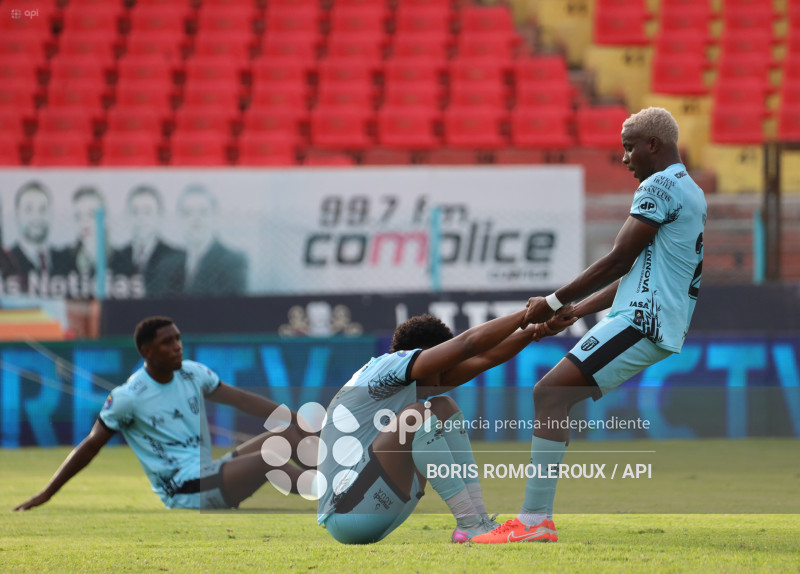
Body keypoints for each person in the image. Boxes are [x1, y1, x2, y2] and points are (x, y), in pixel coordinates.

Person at [472, 107, 706, 544]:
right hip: (647, 316)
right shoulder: (688, 188)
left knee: (549, 394)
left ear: (653, 145)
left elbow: (619, 257)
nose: (624, 158)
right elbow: (639, 272)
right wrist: (576, 313)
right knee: (552, 396)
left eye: (629, 147)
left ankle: (534, 520)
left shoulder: (657, 186)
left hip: (643, 320)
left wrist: (554, 301)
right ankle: (534, 518)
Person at [317, 308, 577, 544]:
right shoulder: (390, 365)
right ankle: (469, 523)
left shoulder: (398, 377)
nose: (446, 375)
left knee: (443, 407)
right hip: (346, 513)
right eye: (442, 364)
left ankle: (478, 522)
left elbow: (485, 359)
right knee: (416, 415)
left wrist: (536, 331)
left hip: (373, 506)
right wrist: (527, 314)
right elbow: (468, 345)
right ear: (424, 355)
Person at [14, 316, 312, 511]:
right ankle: (328, 492)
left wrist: (299, 419)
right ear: (147, 352)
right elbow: (91, 445)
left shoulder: (192, 373)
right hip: (183, 490)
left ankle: (339, 473)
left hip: (209, 471)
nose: (177, 347)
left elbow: (243, 400)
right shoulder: (127, 398)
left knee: (286, 432)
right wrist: (47, 494)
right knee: (269, 457)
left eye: (178, 338)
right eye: (167, 342)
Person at [110, 185, 184, 297]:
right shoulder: (114, 258)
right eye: (135, 212)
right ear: (127, 216)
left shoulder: (176, 259)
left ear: (160, 216)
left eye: (147, 212)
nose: (141, 219)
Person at [176, 184, 247, 296]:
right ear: (179, 219)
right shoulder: (171, 263)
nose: (195, 219)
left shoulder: (233, 262)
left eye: (203, 212)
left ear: (215, 216)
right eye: (188, 213)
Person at [8, 181, 70, 287]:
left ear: (51, 213)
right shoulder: (6, 262)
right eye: (29, 210)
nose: (36, 217)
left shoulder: (66, 260)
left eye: (42, 209)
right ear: (17, 214)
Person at [65, 186, 117, 282]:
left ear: (105, 218)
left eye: (91, 215)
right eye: (78, 216)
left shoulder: (123, 261)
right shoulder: (65, 262)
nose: (84, 223)